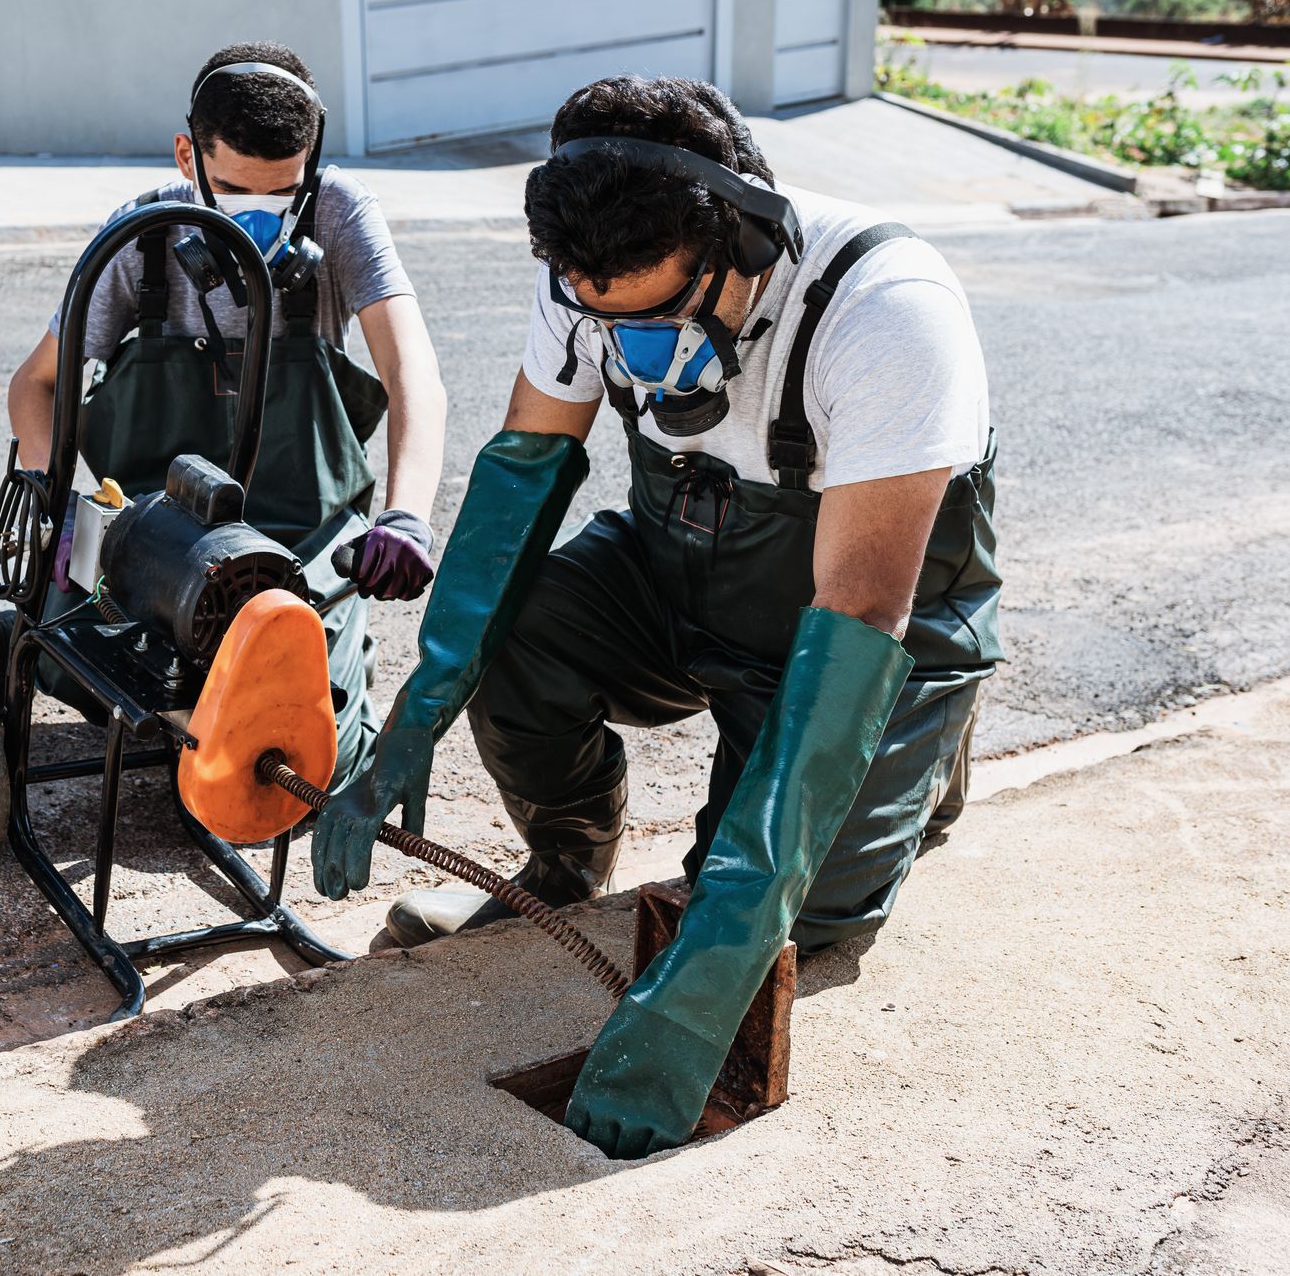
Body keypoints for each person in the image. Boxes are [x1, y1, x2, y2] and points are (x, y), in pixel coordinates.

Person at [311, 75, 1001, 1157]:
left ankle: (921, 752)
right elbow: (519, 485)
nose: (626, 348)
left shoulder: (885, 310)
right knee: (515, 633)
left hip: (854, 634)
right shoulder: (590, 275)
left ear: (743, 242)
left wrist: (697, 992)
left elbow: (860, 606)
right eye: (597, 314)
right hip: (678, 569)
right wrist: (417, 714)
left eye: (659, 317)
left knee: (791, 924)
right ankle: (566, 856)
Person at [7, 42, 446, 785]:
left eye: (284, 195)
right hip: (160, 537)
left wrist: (407, 516)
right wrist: (57, 505)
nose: (264, 218)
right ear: (187, 156)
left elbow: (415, 376)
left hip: (296, 538)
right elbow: (34, 385)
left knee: (308, 762)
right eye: (238, 193)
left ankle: (342, 661)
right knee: (77, 668)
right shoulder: (140, 237)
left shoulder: (339, 213)